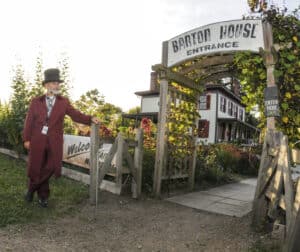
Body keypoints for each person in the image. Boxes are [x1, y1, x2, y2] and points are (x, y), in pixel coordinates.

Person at [23, 68, 100, 208]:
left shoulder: (63, 102)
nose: (57, 85)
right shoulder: (36, 101)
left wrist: (90, 118)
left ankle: (31, 189)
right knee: (37, 167)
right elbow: (29, 121)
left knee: (51, 167)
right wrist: (26, 139)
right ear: (46, 85)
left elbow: (75, 114)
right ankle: (43, 197)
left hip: (54, 142)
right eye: (53, 83)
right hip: (37, 140)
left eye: (58, 83)